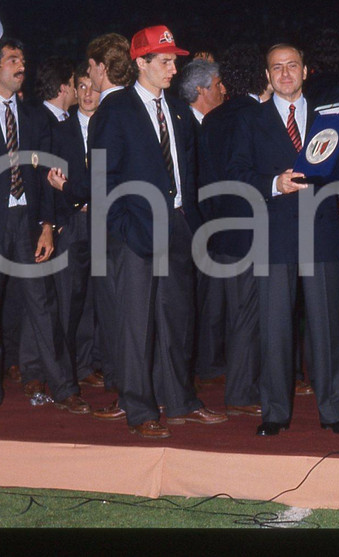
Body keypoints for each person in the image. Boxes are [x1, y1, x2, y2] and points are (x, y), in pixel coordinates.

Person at [89, 25, 226, 438]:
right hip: (136, 233)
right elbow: (102, 182)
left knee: (177, 320)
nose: (173, 68)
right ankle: (139, 407)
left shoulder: (179, 111)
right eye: (164, 61)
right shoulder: (115, 110)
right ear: (140, 63)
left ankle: (181, 400)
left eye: (174, 60)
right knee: (136, 325)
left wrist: (190, 221)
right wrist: (126, 230)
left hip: (179, 227)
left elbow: (189, 174)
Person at [0, 38, 88, 421]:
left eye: (22, 58)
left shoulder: (31, 116)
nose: (20, 64)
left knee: (44, 306)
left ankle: (64, 387)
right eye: (12, 59)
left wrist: (46, 226)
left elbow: (42, 176)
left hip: (27, 221)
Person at [228, 43, 339, 436]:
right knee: (275, 328)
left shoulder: (329, 117)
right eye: (276, 68)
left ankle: (334, 411)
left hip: (322, 233)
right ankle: (275, 412)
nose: (285, 73)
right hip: (275, 234)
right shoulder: (251, 120)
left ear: (305, 70)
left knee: (327, 328)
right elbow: (237, 176)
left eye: (292, 66)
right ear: (267, 76)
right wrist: (274, 184)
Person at [196, 43, 267, 417]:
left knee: (228, 312)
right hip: (253, 229)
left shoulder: (212, 120)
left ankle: (238, 383)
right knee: (248, 316)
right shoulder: (260, 117)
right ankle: (242, 392)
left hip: (219, 229)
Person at [84, 32, 135, 409]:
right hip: (136, 223)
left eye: (90, 67)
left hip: (116, 229)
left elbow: (100, 178)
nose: (89, 74)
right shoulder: (137, 105)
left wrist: (70, 188)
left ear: (102, 68)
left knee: (118, 314)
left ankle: (125, 393)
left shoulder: (109, 111)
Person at [47, 62, 104, 387]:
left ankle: (92, 363)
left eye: (92, 86)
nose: (87, 93)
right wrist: (56, 223)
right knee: (70, 300)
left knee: (100, 298)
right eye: (80, 87)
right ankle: (66, 370)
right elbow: (50, 179)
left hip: (105, 223)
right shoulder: (60, 130)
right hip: (72, 222)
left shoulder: (110, 127)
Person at [179, 57, 229, 386]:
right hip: (192, 226)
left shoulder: (215, 126)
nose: (223, 90)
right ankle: (201, 363)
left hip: (214, 227)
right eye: (217, 85)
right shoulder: (185, 126)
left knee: (210, 297)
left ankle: (209, 361)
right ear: (201, 91)